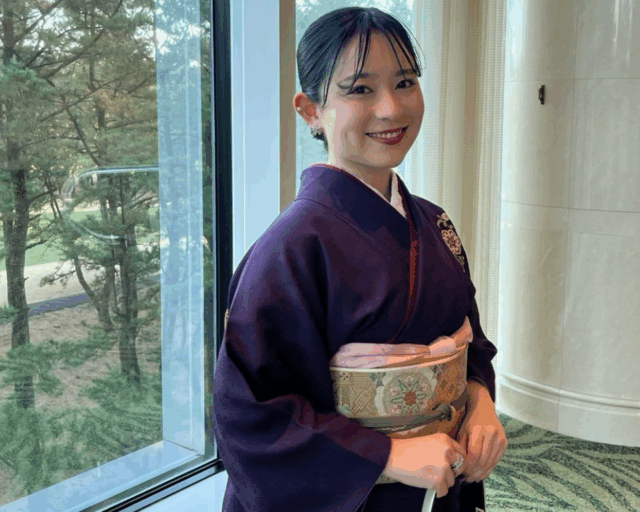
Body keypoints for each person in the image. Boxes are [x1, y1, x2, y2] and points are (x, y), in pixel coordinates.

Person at [212, 7, 506, 512]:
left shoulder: (434, 222)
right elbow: (250, 413)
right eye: (360, 89)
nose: (391, 109)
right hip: (355, 495)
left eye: (405, 82)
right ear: (310, 110)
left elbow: (470, 341)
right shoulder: (290, 248)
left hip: (442, 472)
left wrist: (479, 401)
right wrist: (386, 454)